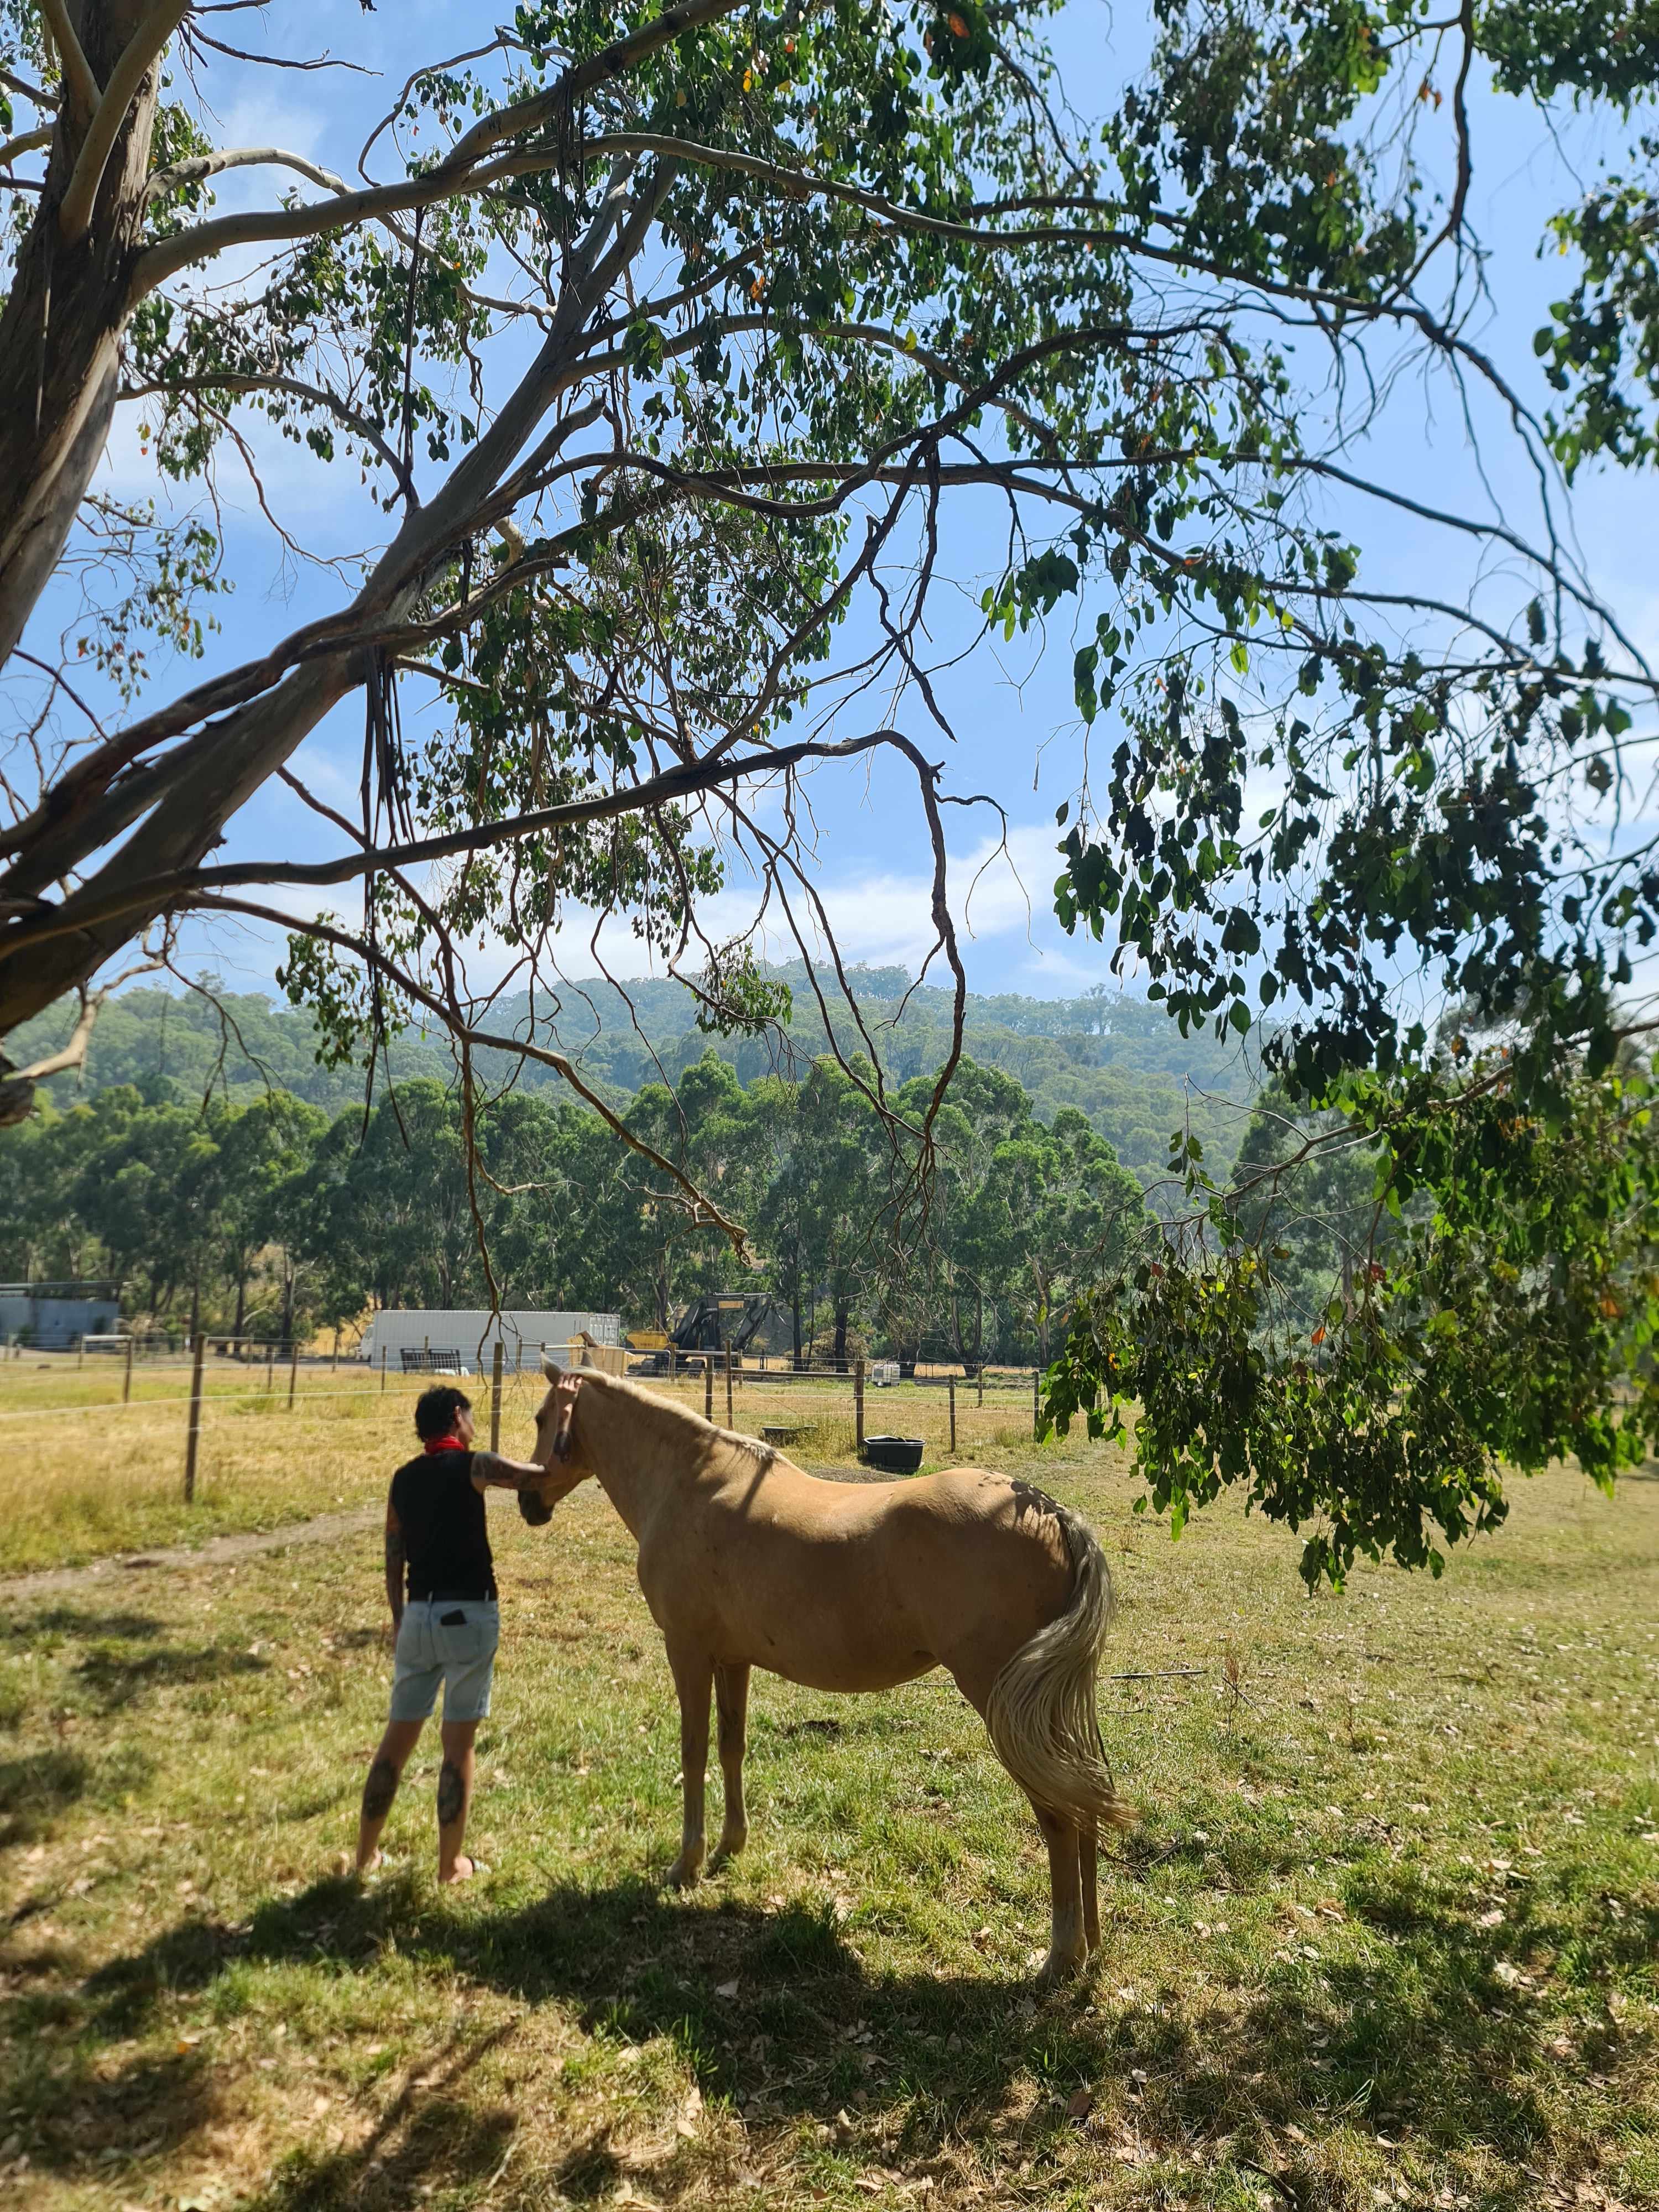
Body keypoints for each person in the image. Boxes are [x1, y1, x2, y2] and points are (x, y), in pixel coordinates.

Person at [354, 1382, 547, 1882]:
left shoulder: (402, 1480)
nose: (473, 1424)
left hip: (419, 1617)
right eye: (470, 1417)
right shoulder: (474, 1466)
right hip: (470, 1616)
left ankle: (364, 1857)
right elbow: (534, 1477)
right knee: (457, 1746)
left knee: (394, 1746)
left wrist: (400, 1618)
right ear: (457, 1418)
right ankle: (450, 1864)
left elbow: (393, 1555)